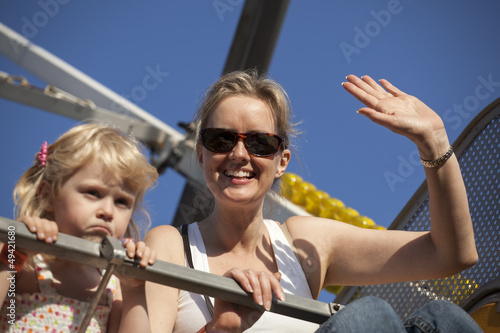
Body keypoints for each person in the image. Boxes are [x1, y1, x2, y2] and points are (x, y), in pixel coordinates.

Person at [144, 70, 482, 332]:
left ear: (282, 161)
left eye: (260, 143)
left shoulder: (305, 243)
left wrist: (434, 141)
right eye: (221, 139)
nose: (238, 154)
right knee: (368, 319)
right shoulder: (172, 246)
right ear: (201, 154)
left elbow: (452, 254)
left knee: (443, 319)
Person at [0, 123, 159, 332]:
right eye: (93, 193)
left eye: (122, 202)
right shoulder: (21, 259)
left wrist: (135, 289)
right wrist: (16, 252)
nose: (108, 211)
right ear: (47, 195)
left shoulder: (114, 285)